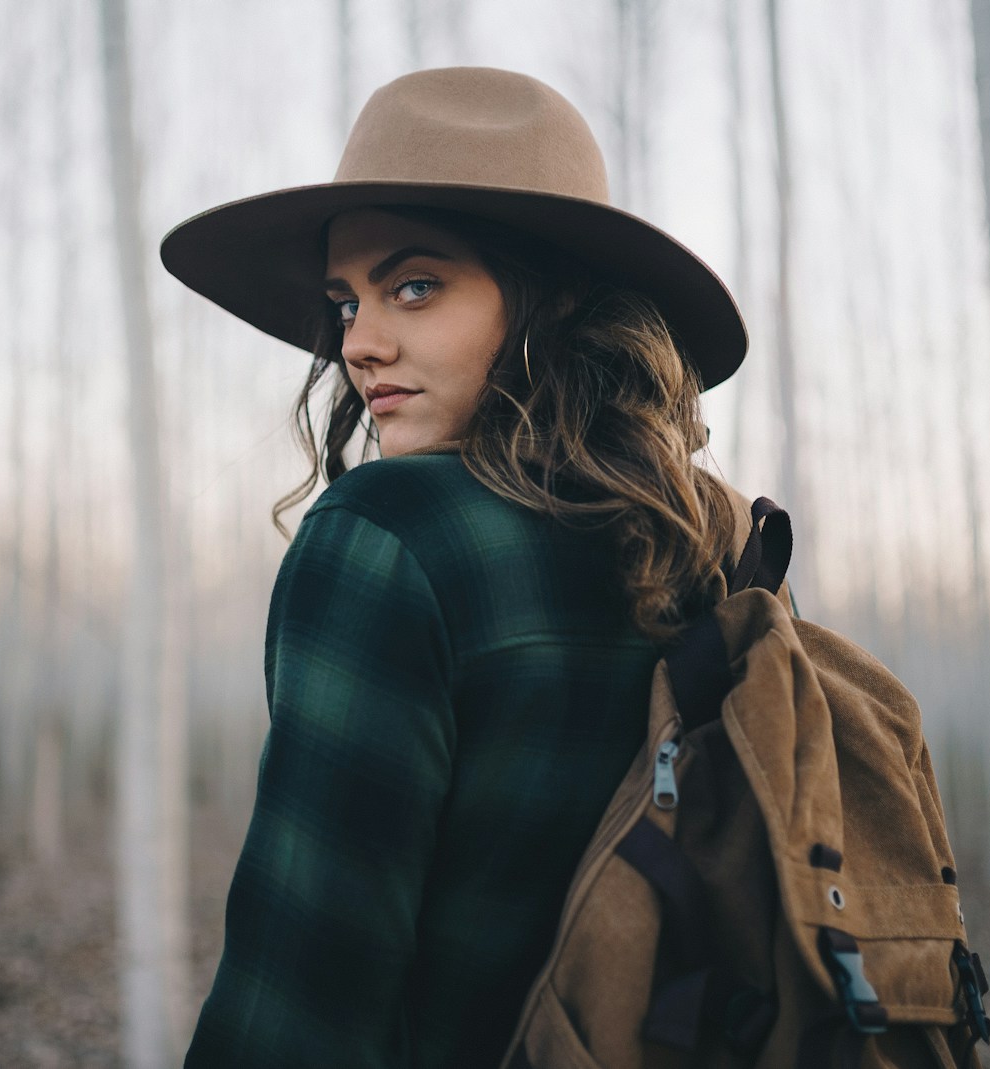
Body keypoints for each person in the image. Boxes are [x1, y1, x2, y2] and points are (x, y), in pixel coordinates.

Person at [161, 66, 776, 1069]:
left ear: (550, 296)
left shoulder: (387, 537)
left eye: (413, 285)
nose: (359, 342)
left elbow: (304, 995)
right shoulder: (704, 542)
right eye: (344, 299)